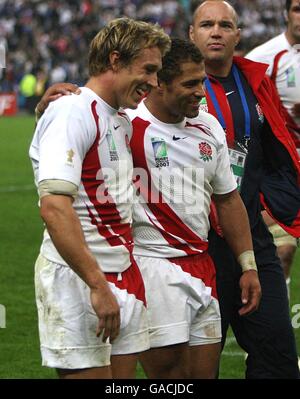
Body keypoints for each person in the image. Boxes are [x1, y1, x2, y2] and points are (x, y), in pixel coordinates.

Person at [36, 38, 262, 379]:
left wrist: (248, 263)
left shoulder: (208, 125)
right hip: (152, 266)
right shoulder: (127, 122)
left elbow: (228, 198)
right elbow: (78, 133)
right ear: (161, 84)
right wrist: (47, 111)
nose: (201, 92)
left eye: (202, 81)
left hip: (203, 265)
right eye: (190, 83)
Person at [29, 17, 170, 379]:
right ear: (114, 60)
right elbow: (54, 208)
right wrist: (96, 284)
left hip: (119, 272)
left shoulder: (118, 117)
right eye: (149, 70)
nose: (154, 82)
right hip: (79, 278)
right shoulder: (72, 111)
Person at [190, 0, 300, 379]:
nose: (216, 32)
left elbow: (276, 149)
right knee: (197, 367)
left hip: (250, 236)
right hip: (194, 246)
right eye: (206, 25)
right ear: (192, 34)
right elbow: (118, 102)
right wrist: (70, 96)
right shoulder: (166, 84)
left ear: (238, 35)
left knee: (279, 357)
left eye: (224, 25)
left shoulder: (255, 80)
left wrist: (272, 202)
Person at [246, 0, 300, 297]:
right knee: (283, 250)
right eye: (297, 9)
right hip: (284, 168)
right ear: (285, 14)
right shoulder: (264, 57)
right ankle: (277, 312)